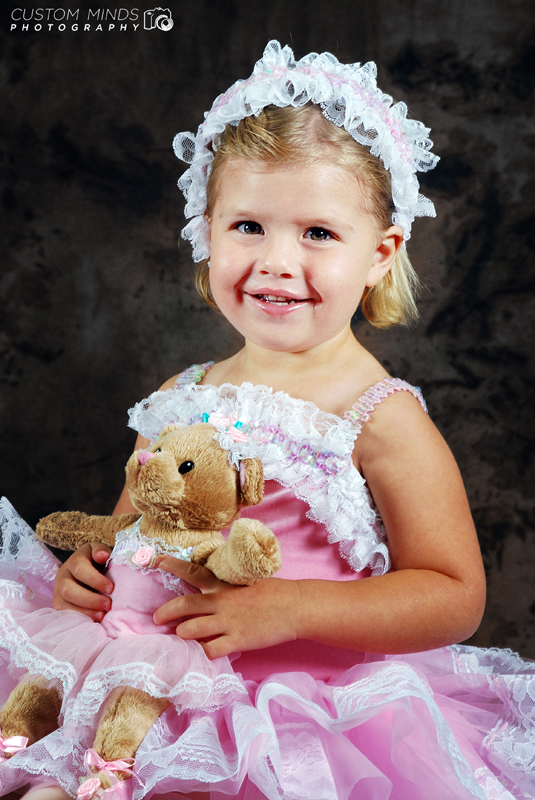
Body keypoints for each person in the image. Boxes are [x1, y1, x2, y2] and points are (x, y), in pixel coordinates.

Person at [0, 40, 533, 800]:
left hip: (280, 709)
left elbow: (453, 594)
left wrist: (292, 607)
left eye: (317, 233)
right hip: (134, 683)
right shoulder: (182, 390)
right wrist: (87, 580)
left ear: (379, 253)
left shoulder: (379, 416)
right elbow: (134, 530)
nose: (277, 261)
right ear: (206, 231)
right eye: (248, 226)